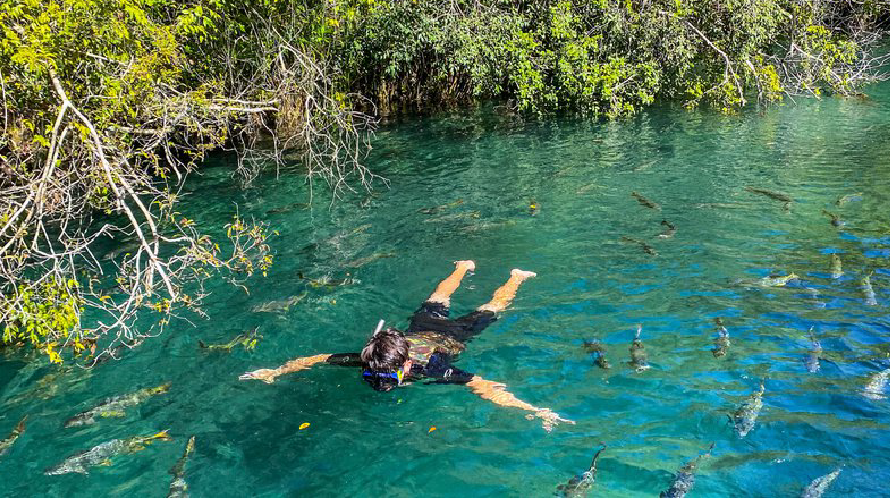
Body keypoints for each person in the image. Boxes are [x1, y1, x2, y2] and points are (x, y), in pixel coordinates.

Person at [239, 260, 574, 431]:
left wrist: (533, 411)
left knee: (493, 308)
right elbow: (317, 358)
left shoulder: (434, 369)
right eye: (376, 379)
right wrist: (276, 372)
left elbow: (482, 386)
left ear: (407, 367)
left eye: (387, 380)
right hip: (419, 329)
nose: (381, 384)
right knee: (438, 297)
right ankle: (462, 266)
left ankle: (516, 276)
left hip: (453, 336)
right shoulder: (372, 359)